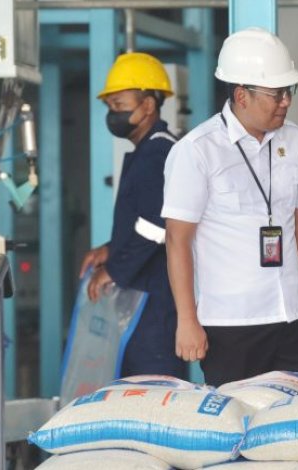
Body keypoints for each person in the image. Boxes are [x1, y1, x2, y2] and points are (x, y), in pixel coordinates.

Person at [162, 28, 298, 386]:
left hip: (294, 315)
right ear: (241, 95)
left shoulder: (295, 140)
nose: (286, 101)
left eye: (289, 91)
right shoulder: (197, 151)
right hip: (232, 325)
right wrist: (187, 319)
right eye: (276, 94)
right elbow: (177, 240)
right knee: (239, 416)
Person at [77, 52, 186, 379]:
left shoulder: (158, 152)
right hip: (143, 297)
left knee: (153, 390)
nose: (114, 114)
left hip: (155, 302)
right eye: (110, 106)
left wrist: (114, 269)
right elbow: (144, 219)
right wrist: (111, 248)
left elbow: (157, 226)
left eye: (120, 105)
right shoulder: (146, 150)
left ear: (148, 105)